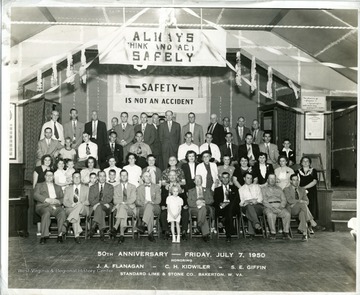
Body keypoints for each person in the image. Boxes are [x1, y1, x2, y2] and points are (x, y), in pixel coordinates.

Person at [33, 170, 66, 244]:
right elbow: (35, 195)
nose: (49, 177)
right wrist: (46, 199)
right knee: (46, 214)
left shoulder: (58, 187)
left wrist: (58, 201)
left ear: (53, 177)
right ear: (45, 177)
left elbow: (62, 198)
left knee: (62, 213)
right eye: (47, 175)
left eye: (51, 175)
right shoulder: (39, 185)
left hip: (56, 206)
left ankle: (60, 235)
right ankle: (43, 236)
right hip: (43, 206)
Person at [284, 174, 317, 241]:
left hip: (301, 209)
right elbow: (290, 200)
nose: (296, 182)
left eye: (297, 180)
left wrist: (297, 202)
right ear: (290, 181)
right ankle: (310, 220)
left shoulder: (302, 189)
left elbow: (307, 201)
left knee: (302, 213)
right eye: (294, 180)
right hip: (291, 209)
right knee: (303, 205)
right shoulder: (286, 189)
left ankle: (304, 235)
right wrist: (300, 201)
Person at [159, 171, 189, 240]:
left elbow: (184, 197)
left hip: (178, 207)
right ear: (168, 177)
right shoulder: (164, 187)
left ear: (176, 177)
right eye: (170, 175)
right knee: (163, 213)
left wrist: (185, 205)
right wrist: (163, 205)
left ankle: (184, 232)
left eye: (174, 175)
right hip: (168, 206)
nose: (172, 177)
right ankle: (166, 232)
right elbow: (162, 198)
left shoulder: (181, 186)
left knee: (185, 212)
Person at [110, 170, 137, 244]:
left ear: (127, 176)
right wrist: (122, 204)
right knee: (122, 210)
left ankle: (116, 226)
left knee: (122, 207)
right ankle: (122, 235)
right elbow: (115, 200)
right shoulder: (115, 187)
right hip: (120, 209)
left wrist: (123, 203)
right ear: (120, 177)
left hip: (130, 208)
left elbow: (133, 199)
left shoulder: (133, 187)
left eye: (125, 175)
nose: (124, 177)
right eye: (122, 175)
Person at [63, 171, 90, 244]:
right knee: (76, 215)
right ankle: (76, 235)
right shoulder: (67, 189)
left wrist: (81, 203)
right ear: (72, 179)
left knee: (80, 205)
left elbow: (89, 201)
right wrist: (71, 205)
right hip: (70, 208)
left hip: (83, 208)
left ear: (81, 178)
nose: (77, 179)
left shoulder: (87, 188)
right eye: (75, 177)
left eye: (78, 177)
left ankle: (68, 220)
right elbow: (65, 202)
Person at [262, 174, 291, 240]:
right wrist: (272, 208)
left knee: (287, 214)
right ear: (267, 180)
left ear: (275, 180)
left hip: (279, 206)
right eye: (270, 179)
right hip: (268, 207)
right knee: (270, 214)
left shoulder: (279, 189)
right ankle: (273, 233)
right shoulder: (263, 189)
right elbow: (264, 201)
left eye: (273, 179)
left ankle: (286, 233)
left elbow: (284, 199)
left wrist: (281, 207)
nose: (272, 180)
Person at [213, 172, 240, 242]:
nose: (225, 179)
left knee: (230, 208)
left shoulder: (234, 188)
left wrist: (228, 203)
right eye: (223, 177)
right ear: (221, 179)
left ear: (229, 178)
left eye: (227, 177)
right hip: (222, 209)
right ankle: (229, 234)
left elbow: (237, 200)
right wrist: (221, 204)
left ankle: (223, 222)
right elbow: (215, 202)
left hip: (233, 209)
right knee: (228, 213)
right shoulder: (217, 189)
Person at [135, 172, 161, 242]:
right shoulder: (139, 188)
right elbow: (137, 202)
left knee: (150, 206)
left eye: (149, 176)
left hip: (154, 206)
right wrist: (144, 203)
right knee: (149, 211)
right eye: (146, 176)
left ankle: (143, 224)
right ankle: (150, 233)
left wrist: (152, 202)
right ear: (143, 178)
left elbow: (158, 200)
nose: (148, 178)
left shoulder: (156, 187)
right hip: (142, 207)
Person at [88, 171, 113, 241]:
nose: (102, 178)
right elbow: (91, 200)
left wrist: (98, 203)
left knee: (99, 207)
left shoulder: (110, 187)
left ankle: (94, 225)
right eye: (100, 176)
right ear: (97, 177)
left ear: (106, 177)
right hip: (95, 207)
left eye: (104, 176)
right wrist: (98, 204)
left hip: (107, 207)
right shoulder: (92, 187)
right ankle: (102, 232)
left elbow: (109, 199)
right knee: (100, 209)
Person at [187, 175, 213, 242]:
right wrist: (197, 203)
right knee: (202, 211)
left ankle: (199, 225)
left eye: (199, 179)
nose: (198, 181)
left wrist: (204, 202)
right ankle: (205, 234)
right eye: (196, 179)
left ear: (202, 180)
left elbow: (211, 200)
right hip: (195, 208)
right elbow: (189, 202)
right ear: (194, 181)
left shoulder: (207, 190)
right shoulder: (190, 191)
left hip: (205, 206)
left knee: (203, 209)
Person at [239, 172, 264, 240]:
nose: (249, 180)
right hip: (246, 206)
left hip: (258, 206)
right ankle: (256, 223)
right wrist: (250, 201)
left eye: (251, 178)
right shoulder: (241, 189)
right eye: (248, 178)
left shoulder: (256, 186)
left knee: (250, 211)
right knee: (250, 208)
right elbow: (241, 202)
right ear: (244, 178)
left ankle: (251, 233)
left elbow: (260, 198)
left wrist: (253, 201)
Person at [296, 156, 319, 222]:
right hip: (301, 192)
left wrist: (304, 188)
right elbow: (296, 182)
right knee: (302, 208)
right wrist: (301, 189)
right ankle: (302, 225)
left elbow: (314, 182)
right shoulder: (298, 171)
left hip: (311, 192)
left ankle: (310, 226)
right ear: (301, 163)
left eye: (307, 161)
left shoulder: (313, 171)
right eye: (304, 161)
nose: (305, 162)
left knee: (311, 207)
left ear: (309, 163)